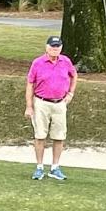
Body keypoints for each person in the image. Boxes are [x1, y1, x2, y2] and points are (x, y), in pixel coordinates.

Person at [24, 35, 77, 181]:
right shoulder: (38, 63)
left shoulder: (65, 61)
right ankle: (39, 167)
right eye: (52, 46)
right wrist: (29, 106)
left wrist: (71, 93)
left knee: (59, 136)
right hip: (41, 102)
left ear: (61, 48)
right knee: (40, 135)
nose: (55, 49)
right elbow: (30, 84)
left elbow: (74, 75)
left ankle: (55, 167)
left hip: (60, 103)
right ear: (47, 47)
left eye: (57, 46)